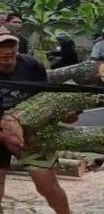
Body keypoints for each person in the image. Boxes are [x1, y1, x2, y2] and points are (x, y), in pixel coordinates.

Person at [0, 30, 74, 214]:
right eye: (0, 46)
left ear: (17, 47)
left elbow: (47, 98)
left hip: (32, 131)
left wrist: (64, 114)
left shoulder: (32, 65)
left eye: (10, 45)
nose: (6, 51)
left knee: (47, 186)